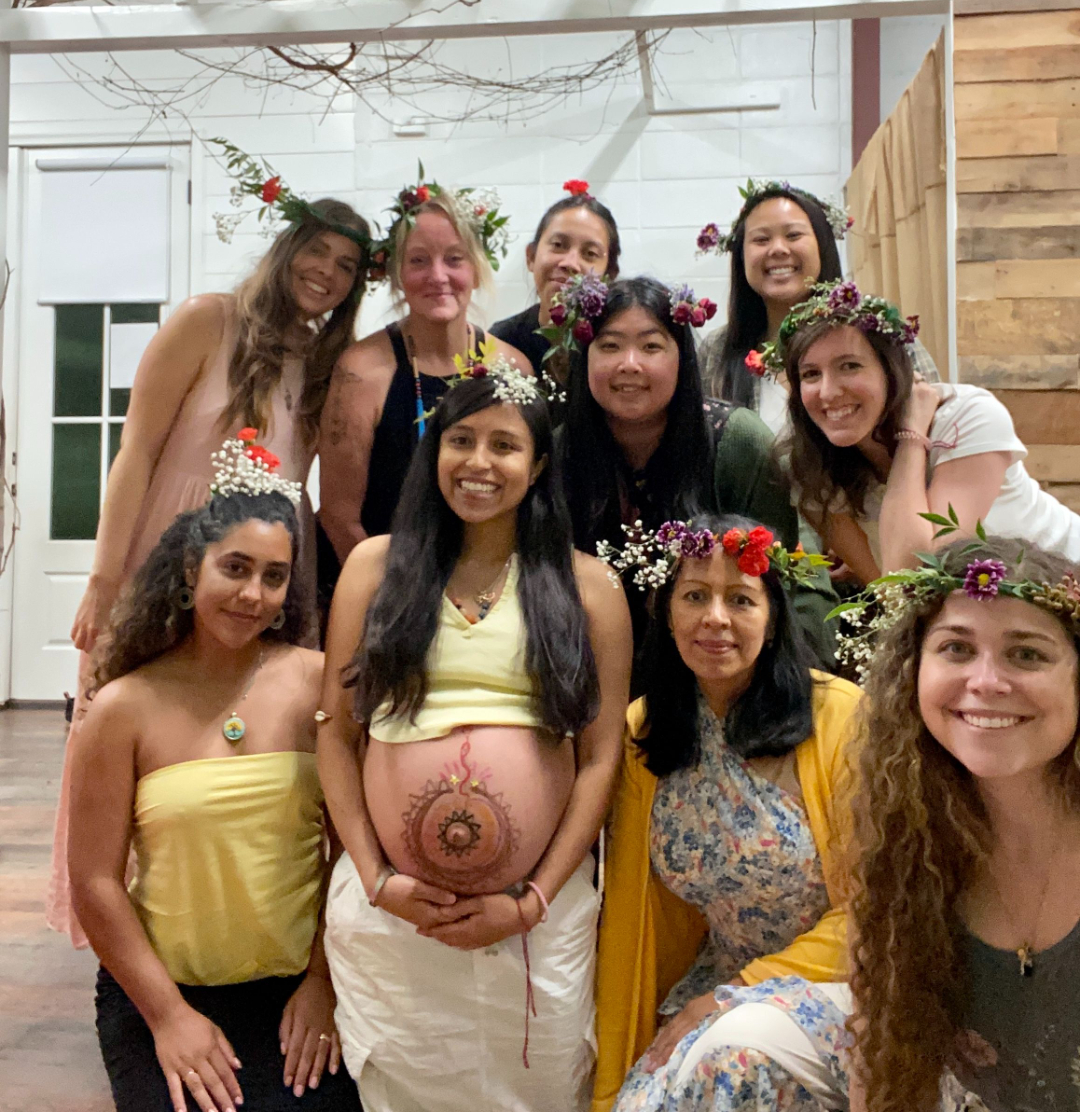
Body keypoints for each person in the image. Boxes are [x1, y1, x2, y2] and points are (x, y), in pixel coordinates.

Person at [51, 156, 371, 942]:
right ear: (286, 247)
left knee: (237, 736)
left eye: (346, 265)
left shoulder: (326, 363)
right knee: (134, 731)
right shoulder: (207, 321)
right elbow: (135, 451)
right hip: (168, 553)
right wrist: (104, 578)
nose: (326, 273)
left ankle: (229, 913)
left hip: (265, 569)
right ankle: (124, 925)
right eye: (316, 251)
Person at [316, 364, 632, 1112]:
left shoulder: (589, 586)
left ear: (539, 465)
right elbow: (334, 734)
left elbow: (600, 758)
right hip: (394, 910)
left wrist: (532, 900)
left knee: (542, 1087)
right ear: (435, 450)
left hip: (534, 918)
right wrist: (378, 880)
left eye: (504, 445)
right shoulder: (375, 567)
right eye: (460, 440)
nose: (479, 463)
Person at [67, 434, 361, 1112]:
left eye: (274, 576)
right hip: (161, 991)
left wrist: (325, 981)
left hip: (299, 991)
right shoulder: (123, 707)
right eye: (235, 568)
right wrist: (169, 1017)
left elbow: (348, 849)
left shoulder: (318, 684)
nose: (253, 594)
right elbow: (94, 882)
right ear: (190, 567)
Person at [593, 514, 861, 1112]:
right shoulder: (648, 729)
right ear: (668, 613)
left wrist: (738, 993)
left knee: (731, 1063)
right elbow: (633, 920)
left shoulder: (841, 717)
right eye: (695, 596)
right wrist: (611, 1084)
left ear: (773, 618)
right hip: (714, 988)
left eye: (740, 599)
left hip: (841, 988)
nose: (715, 618)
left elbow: (881, 911)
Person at [844, 534, 1080, 1112]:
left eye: (1027, 654)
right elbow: (882, 1077)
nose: (986, 682)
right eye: (956, 648)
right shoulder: (902, 851)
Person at [556, 275, 834, 672]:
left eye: (651, 346)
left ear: (682, 357)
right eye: (610, 345)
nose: (629, 364)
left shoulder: (737, 442)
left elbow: (781, 579)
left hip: (729, 663)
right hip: (593, 668)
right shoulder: (559, 453)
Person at [778, 280, 1080, 582]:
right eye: (811, 374)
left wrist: (911, 439)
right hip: (979, 606)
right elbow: (895, 591)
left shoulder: (967, 416)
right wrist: (911, 440)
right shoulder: (809, 466)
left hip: (1065, 583)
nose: (828, 392)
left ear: (892, 370)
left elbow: (924, 572)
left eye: (849, 366)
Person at [317, 173, 530, 566]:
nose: (438, 276)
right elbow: (339, 516)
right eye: (418, 260)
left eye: (454, 258)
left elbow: (522, 495)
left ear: (476, 268)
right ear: (397, 274)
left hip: (482, 578)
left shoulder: (512, 366)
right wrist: (392, 592)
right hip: (380, 578)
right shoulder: (362, 372)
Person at [696, 180, 936, 435]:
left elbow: (937, 421)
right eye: (761, 239)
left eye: (793, 235)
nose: (778, 249)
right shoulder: (717, 350)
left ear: (823, 245)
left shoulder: (877, 327)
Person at [491, 180, 621, 377]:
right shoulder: (502, 342)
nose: (570, 263)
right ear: (531, 257)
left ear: (609, 275)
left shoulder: (618, 342)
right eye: (558, 245)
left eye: (590, 253)